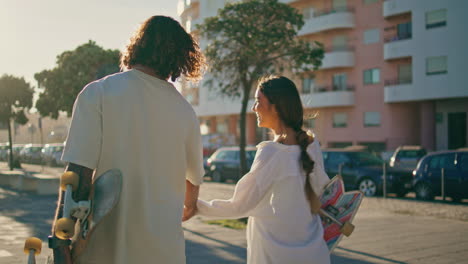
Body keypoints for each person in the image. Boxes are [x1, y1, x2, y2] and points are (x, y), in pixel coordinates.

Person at [50, 16, 206, 264]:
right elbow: (192, 186)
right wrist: (189, 205)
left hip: (105, 252)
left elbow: (76, 176)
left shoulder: (98, 93)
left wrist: (59, 242)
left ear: (137, 47)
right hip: (166, 254)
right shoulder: (185, 110)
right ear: (180, 59)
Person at [197, 76, 331, 264]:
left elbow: (240, 205)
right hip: (315, 254)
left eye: (258, 101)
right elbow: (322, 191)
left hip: (276, 256)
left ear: (275, 107)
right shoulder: (312, 144)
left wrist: (196, 207)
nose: (254, 108)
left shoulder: (271, 152)